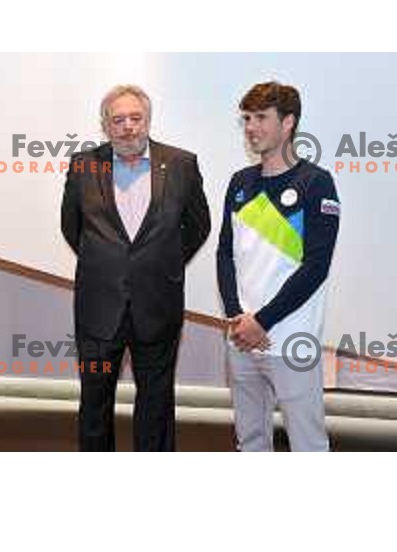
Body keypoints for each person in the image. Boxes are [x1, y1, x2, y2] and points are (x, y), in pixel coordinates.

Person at [61, 85, 211, 451]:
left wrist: (162, 263)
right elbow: (72, 227)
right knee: (95, 404)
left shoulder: (181, 164)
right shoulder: (83, 166)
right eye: (118, 120)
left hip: (157, 305)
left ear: (148, 120)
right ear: (105, 125)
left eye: (135, 118)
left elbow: (199, 225)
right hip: (98, 308)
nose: (128, 127)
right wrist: (107, 264)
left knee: (156, 405)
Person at [217, 81, 341, 452]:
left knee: (308, 445)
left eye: (261, 118)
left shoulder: (316, 183)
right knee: (251, 442)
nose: (251, 127)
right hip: (241, 339)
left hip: (292, 341)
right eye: (247, 119)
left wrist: (263, 321)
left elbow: (315, 266)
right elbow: (225, 254)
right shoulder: (240, 183)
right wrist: (239, 318)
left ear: (288, 123)